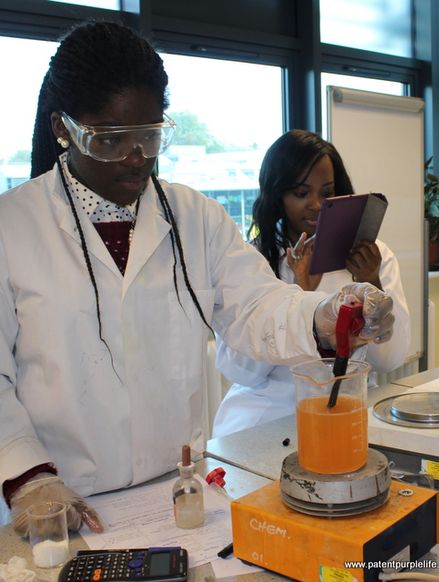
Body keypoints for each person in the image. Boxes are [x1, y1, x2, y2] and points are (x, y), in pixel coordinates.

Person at [0, 23, 395, 537]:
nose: (136, 157)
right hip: (60, 505)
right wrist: (27, 477)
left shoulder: (195, 216)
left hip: (177, 495)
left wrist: (324, 316)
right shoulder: (13, 227)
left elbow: (257, 305)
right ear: (63, 128)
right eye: (111, 139)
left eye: (149, 135)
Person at [212, 130, 410, 438]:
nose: (317, 205)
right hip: (269, 415)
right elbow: (243, 373)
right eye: (302, 194)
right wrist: (299, 294)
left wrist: (372, 281)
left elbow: (390, 360)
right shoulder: (251, 260)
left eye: (327, 192)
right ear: (277, 195)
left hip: (347, 409)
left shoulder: (373, 256)